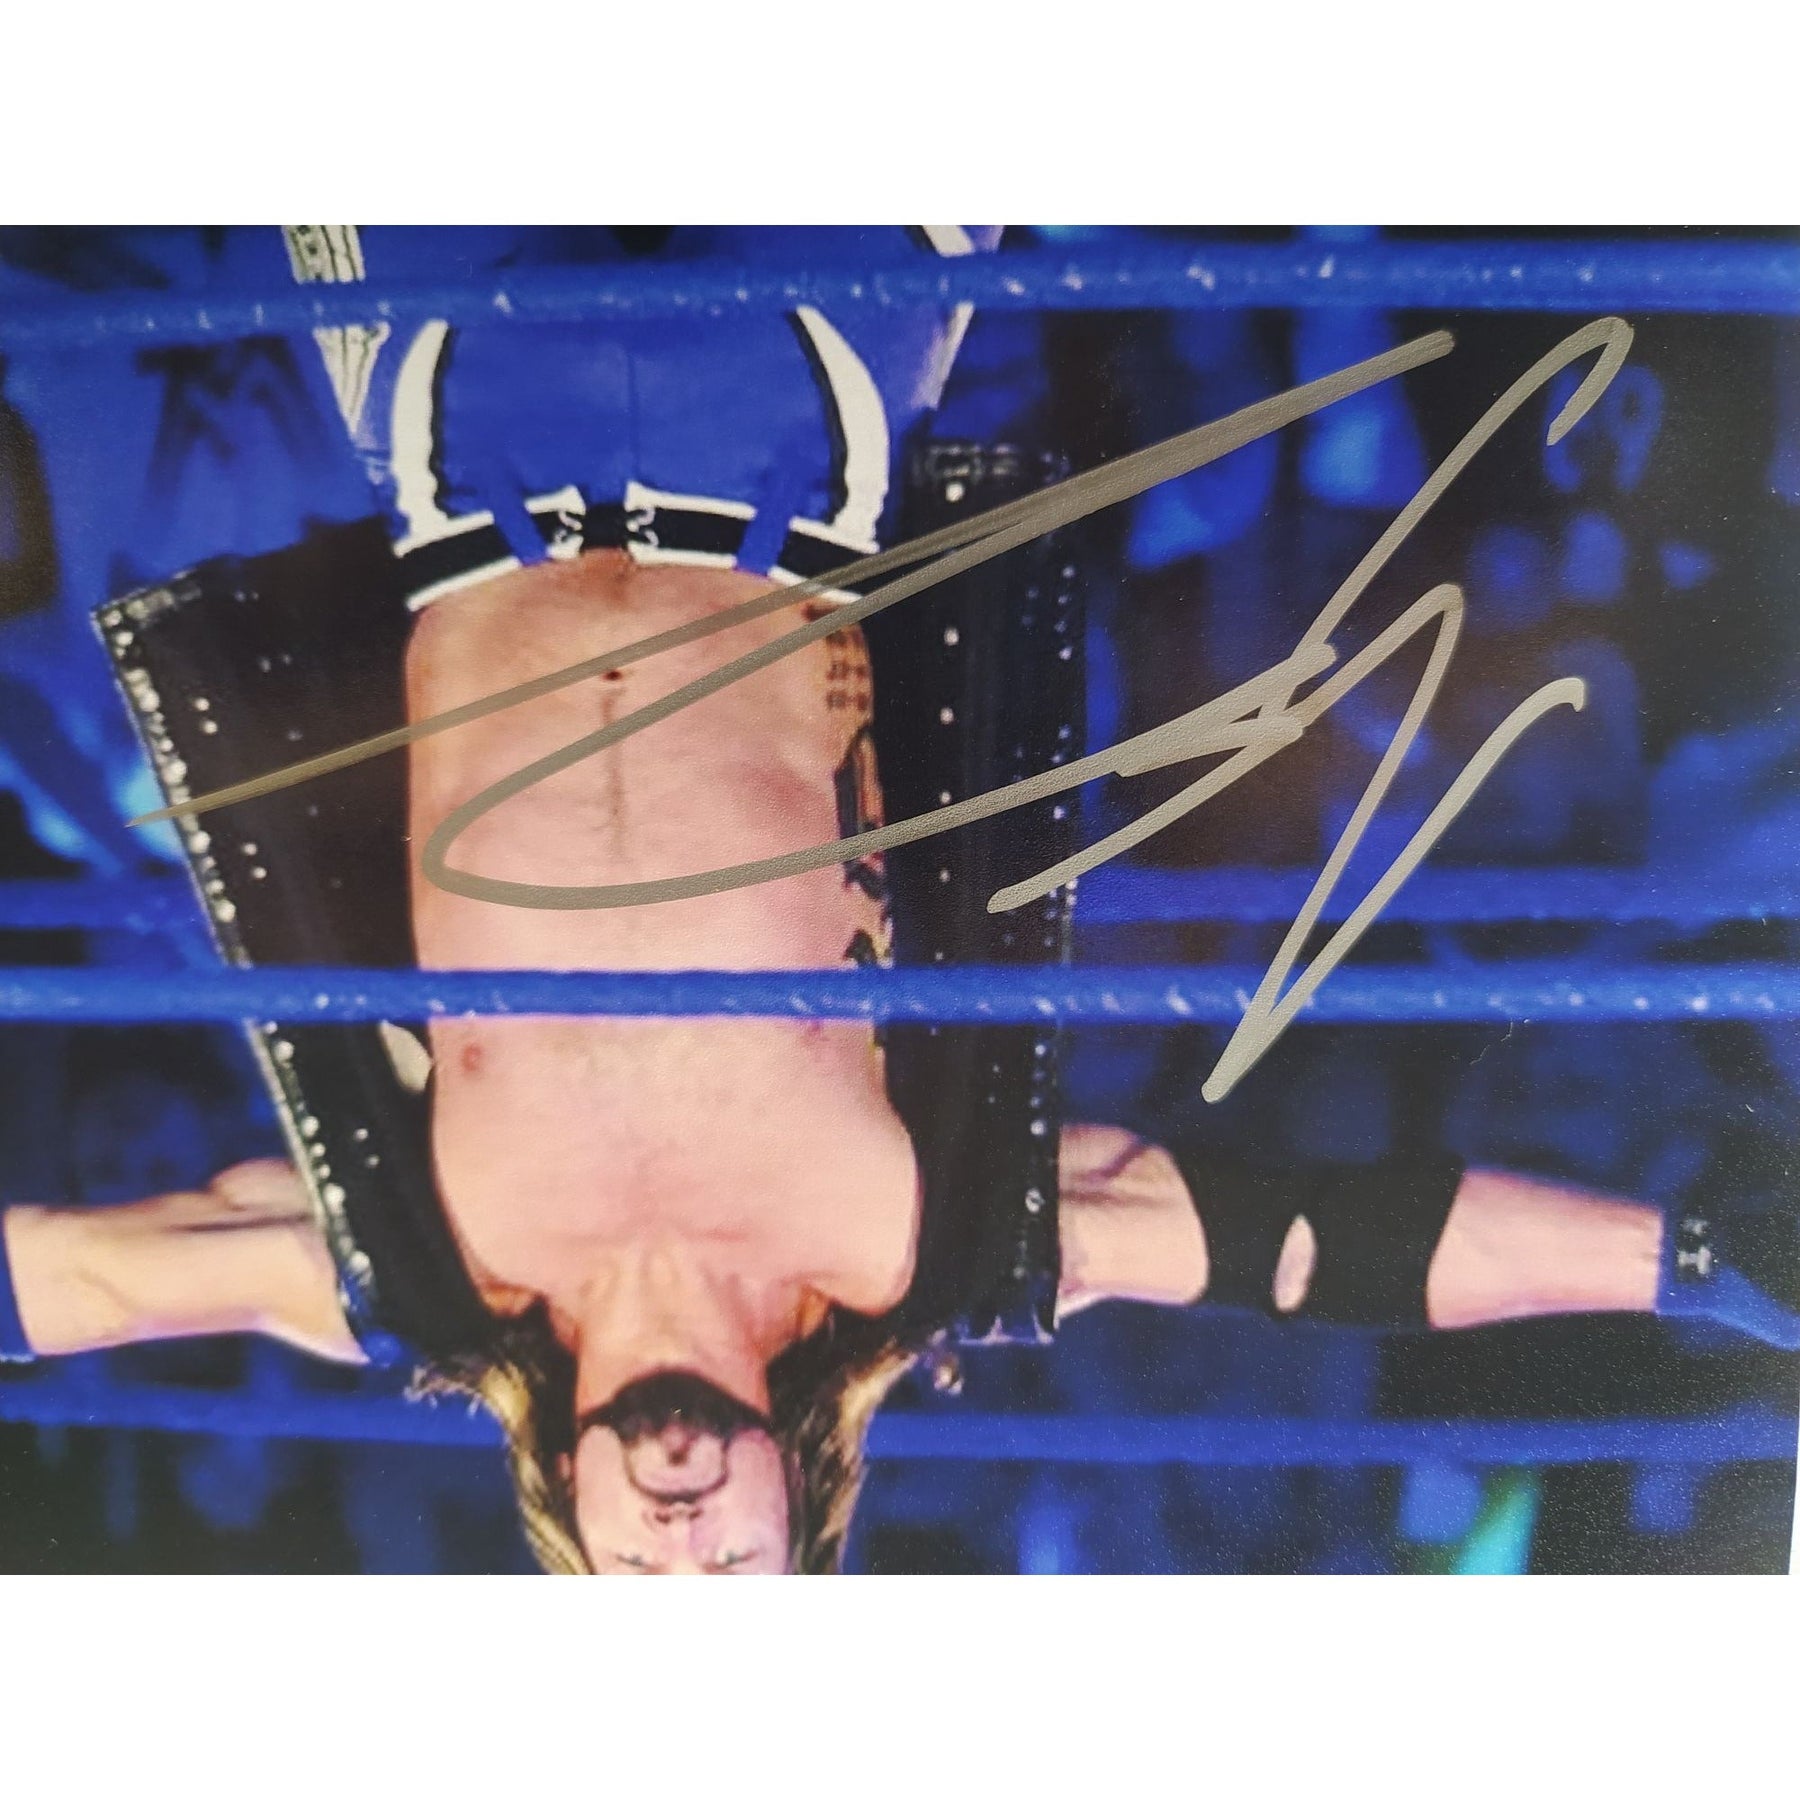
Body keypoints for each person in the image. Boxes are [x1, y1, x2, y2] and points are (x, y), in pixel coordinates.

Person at [3, 227, 1794, 1574]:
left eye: (643, 1585)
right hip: (789, 445)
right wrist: (1702, 1263)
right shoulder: (912, 1257)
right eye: (734, 1577)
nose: (683, 1542)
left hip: (459, 455)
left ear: (566, 1536)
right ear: (809, 1524)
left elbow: (68, 1280)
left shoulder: (419, 1277)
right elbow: (1321, 1248)